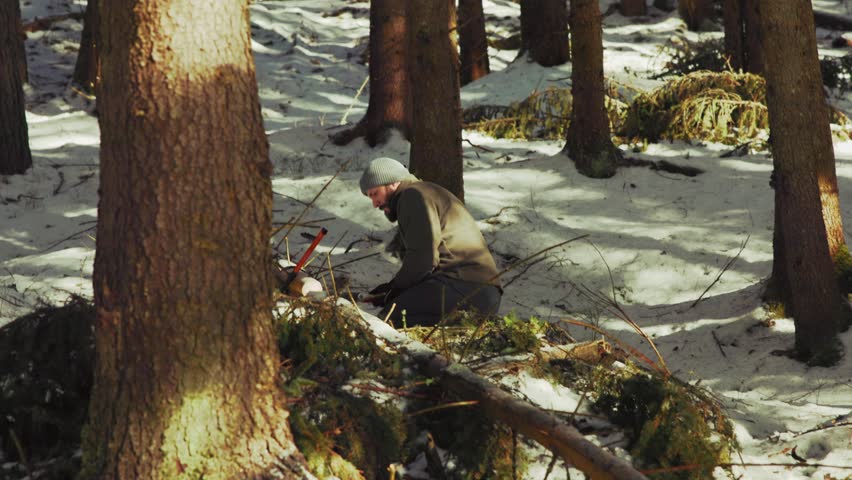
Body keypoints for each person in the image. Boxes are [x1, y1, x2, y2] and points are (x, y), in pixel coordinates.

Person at [359, 157, 502, 327]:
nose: (375, 204)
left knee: (388, 321)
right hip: (482, 293)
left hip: (463, 286)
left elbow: (423, 259)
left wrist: (394, 291)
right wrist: (390, 291)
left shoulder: (412, 196)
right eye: (371, 198)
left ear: (392, 183)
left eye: (375, 194)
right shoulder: (426, 191)